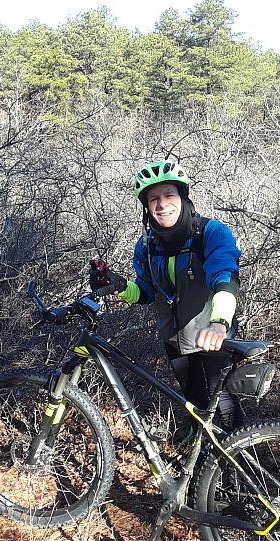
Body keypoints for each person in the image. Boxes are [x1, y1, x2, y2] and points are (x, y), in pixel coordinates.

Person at [89, 159, 242, 433]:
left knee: (225, 409)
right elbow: (146, 292)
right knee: (194, 404)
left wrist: (219, 322)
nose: (162, 204)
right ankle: (203, 465)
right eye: (153, 199)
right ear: (146, 207)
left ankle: (242, 467)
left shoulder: (209, 232)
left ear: (183, 197)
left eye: (169, 195)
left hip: (212, 336)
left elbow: (225, 278)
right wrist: (118, 285)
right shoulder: (147, 246)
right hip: (175, 341)